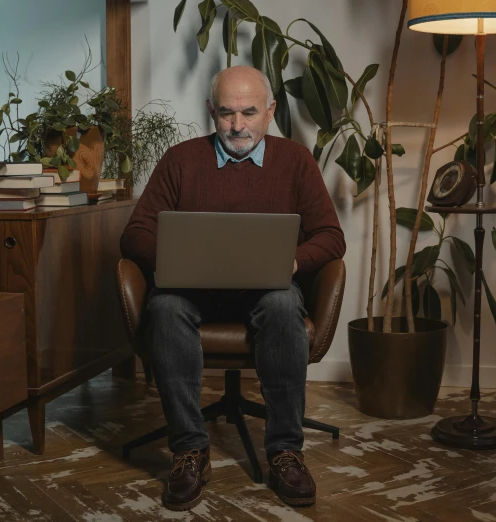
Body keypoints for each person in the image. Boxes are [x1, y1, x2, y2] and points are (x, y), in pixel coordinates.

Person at [119, 66, 346, 511]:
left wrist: (293, 260)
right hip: (193, 290)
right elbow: (135, 233)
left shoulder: (296, 160)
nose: (237, 125)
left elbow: (330, 236)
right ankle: (190, 449)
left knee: (283, 305)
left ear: (270, 112)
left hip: (268, 289)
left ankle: (284, 451)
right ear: (211, 111)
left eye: (248, 112)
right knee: (164, 309)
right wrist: (175, 259)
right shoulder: (181, 160)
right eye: (226, 113)